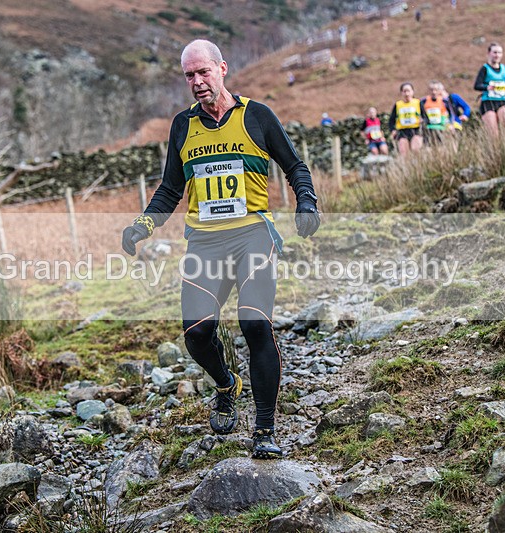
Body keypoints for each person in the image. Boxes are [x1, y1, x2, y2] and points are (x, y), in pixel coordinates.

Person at [121, 39, 320, 460]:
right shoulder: (182, 126)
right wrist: (143, 224)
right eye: (189, 75)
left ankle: (264, 429)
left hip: (252, 236)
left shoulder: (257, 116)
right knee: (196, 334)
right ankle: (228, 385)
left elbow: (295, 166)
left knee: (255, 325)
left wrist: (306, 202)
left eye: (203, 72)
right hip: (205, 243)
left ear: (222, 68)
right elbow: (170, 189)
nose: (196, 81)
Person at [474, 42, 505, 136]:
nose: (497, 55)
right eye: (494, 52)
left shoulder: (504, 69)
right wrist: (488, 87)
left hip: (501, 101)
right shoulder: (485, 68)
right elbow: (477, 85)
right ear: (489, 53)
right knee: (494, 134)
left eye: (499, 53)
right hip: (487, 102)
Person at [388, 82, 424, 155]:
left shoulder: (418, 103)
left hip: (416, 130)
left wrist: (423, 121)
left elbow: (426, 118)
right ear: (401, 93)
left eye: (408, 91)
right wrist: (393, 130)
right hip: (402, 131)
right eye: (404, 91)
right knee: (404, 153)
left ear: (412, 92)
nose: (407, 93)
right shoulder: (398, 105)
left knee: (415, 150)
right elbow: (391, 120)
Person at [420, 80, 454, 144]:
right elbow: (419, 113)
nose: (434, 92)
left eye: (436, 90)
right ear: (428, 90)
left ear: (439, 91)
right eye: (431, 90)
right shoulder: (423, 101)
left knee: (440, 147)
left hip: (441, 128)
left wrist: (451, 124)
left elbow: (451, 114)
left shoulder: (444, 101)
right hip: (428, 128)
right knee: (428, 147)